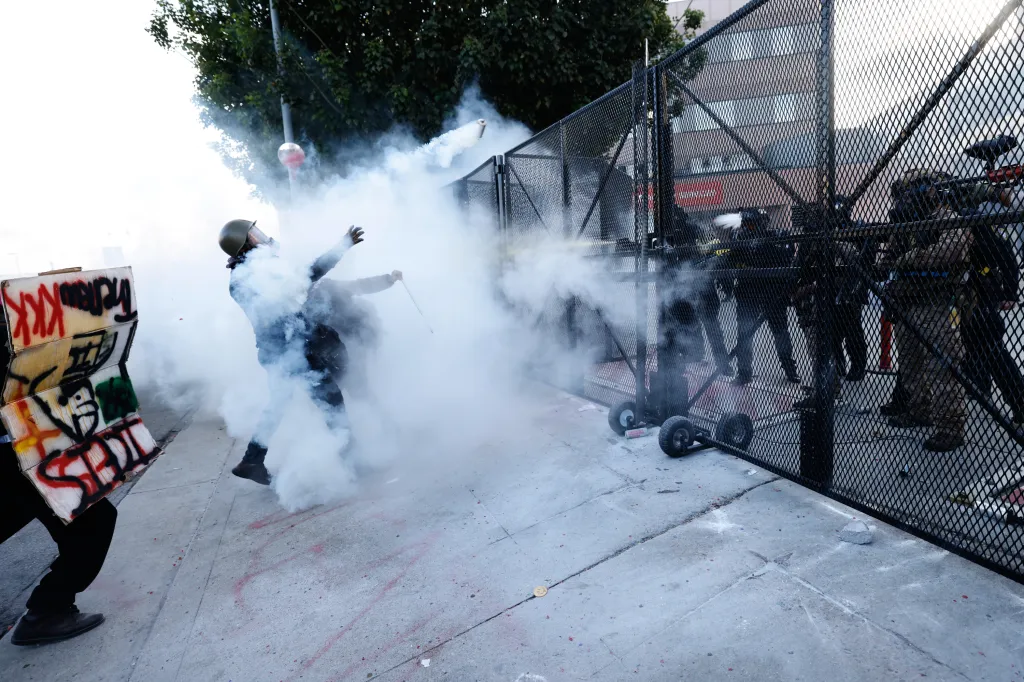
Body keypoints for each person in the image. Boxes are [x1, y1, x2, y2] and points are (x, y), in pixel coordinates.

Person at [219, 219, 365, 485]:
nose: (261, 238)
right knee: (331, 400)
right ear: (242, 246)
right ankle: (352, 463)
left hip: (282, 352)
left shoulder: (253, 272)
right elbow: (306, 277)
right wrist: (341, 247)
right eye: (253, 236)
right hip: (291, 353)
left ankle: (252, 460)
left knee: (278, 405)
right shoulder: (248, 278)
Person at [0, 329, 117, 646]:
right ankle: (47, 611)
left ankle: (48, 609)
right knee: (93, 520)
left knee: (91, 520)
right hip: (15, 450)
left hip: (20, 445)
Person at [884, 169, 971, 452]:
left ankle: (950, 427)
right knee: (910, 365)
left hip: (937, 302)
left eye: (915, 190)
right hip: (909, 301)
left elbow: (951, 250)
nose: (909, 196)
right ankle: (919, 410)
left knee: (941, 367)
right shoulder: (910, 223)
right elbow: (890, 257)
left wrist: (911, 259)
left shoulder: (948, 218)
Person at [719, 208, 800, 386]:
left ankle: (789, 369)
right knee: (745, 332)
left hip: (772, 291)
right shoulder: (739, 239)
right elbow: (732, 261)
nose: (748, 227)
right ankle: (744, 372)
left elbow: (786, 259)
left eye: (752, 224)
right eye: (746, 224)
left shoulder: (776, 237)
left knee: (780, 332)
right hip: (748, 292)